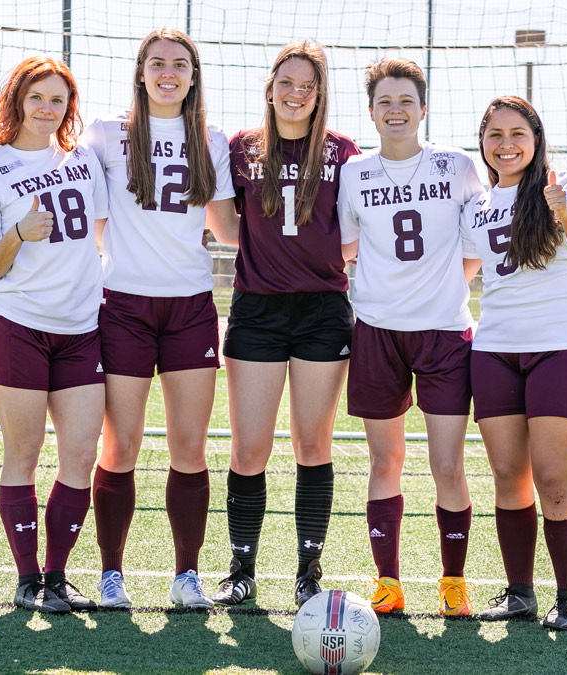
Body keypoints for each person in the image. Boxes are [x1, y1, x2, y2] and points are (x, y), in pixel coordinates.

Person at [82, 28, 235, 609]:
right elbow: (93, 215)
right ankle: (111, 574)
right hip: (123, 304)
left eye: (179, 65)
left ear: (193, 76)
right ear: (141, 71)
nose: (167, 73)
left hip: (190, 306)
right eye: (157, 63)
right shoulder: (105, 132)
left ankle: (186, 575)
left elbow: (225, 229)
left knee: (188, 447)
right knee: (119, 445)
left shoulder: (210, 138)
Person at [205, 41, 360, 608]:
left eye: (309, 85)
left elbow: (357, 230)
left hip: (323, 308)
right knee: (249, 448)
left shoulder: (344, 152)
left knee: (313, 442)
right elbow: (224, 228)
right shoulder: (242, 148)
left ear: (321, 95)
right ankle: (241, 569)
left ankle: (307, 571)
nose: (297, 94)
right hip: (258, 308)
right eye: (287, 83)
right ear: (270, 87)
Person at [336, 58, 485, 616]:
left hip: (444, 334)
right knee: (384, 461)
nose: (395, 110)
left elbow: (472, 251)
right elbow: (349, 249)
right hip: (377, 332)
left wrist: (438, 294)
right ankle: (389, 582)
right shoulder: (355, 172)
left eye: (406, 101)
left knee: (447, 464)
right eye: (384, 102)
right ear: (371, 112)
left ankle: (453, 581)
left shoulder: (456, 165)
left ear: (423, 109)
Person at [0, 55, 108, 613]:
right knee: (23, 452)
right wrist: (20, 233)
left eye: (58, 99)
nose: (48, 109)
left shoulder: (82, 162)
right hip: (18, 325)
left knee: (79, 453)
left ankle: (56, 576)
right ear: (17, 103)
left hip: (80, 329)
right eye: (37, 98)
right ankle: (27, 580)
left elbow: (94, 233)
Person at [461, 95, 567, 631]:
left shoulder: (563, 185)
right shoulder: (478, 206)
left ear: (536, 138)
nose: (506, 144)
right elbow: (468, 268)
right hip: (494, 347)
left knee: (553, 476)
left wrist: (562, 208)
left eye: (517, 133)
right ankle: (519, 591)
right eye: (495, 135)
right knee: (507, 475)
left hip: (561, 345)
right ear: (484, 144)